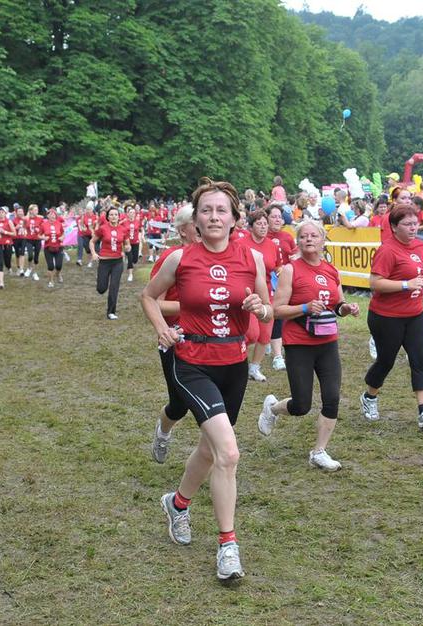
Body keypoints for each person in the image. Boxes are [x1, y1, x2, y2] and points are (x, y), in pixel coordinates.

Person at [141, 178, 271, 582]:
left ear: (234, 218)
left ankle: (177, 503)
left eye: (221, 211)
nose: (214, 217)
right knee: (228, 453)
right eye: (206, 210)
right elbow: (148, 296)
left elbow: (268, 310)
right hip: (192, 363)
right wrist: (162, 328)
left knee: (210, 450)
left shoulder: (253, 258)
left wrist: (260, 308)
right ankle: (228, 546)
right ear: (195, 220)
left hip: (234, 364)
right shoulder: (180, 259)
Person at [258, 219, 361, 470]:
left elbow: (337, 305)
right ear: (298, 241)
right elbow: (276, 310)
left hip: (327, 343)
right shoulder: (291, 270)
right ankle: (273, 408)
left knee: (332, 398)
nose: (308, 239)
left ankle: (319, 452)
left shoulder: (331, 270)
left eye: (314, 235)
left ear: (323, 240)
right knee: (302, 405)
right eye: (303, 236)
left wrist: (347, 309)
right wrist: (304, 307)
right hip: (299, 343)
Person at [360, 203, 423, 430]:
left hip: (415, 314)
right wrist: (406, 284)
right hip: (386, 316)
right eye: (407, 224)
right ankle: (369, 397)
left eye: (415, 223)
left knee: (420, 360)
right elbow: (375, 283)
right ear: (394, 227)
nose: (413, 228)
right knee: (385, 361)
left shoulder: (418, 245)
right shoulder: (387, 250)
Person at [149, 205, 198, 464]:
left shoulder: (216, 258)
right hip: (175, 339)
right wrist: (193, 307)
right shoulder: (171, 257)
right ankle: (163, 432)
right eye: (194, 221)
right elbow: (154, 302)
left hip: (210, 341)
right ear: (182, 230)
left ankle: (217, 457)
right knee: (179, 405)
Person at [242, 209, 280, 382]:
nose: (263, 227)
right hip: (246, 293)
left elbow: (277, 266)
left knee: (265, 335)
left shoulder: (272, 245)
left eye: (265, 224)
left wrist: (283, 273)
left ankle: (254, 367)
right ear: (251, 227)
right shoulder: (241, 243)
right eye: (259, 224)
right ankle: (237, 362)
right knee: (251, 334)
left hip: (266, 293)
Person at [266, 203, 296, 371]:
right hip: (267, 281)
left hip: (286, 280)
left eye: (279, 217)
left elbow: (294, 256)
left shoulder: (287, 236)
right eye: (274, 216)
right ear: (267, 219)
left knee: (284, 314)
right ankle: (274, 351)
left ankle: (278, 349)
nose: (277, 219)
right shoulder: (263, 236)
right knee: (272, 314)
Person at [90, 207, 131, 320]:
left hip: (117, 262)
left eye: (116, 215)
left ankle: (111, 312)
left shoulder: (123, 229)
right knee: (101, 289)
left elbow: (127, 244)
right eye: (111, 215)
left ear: (119, 217)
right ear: (108, 217)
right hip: (104, 261)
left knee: (114, 286)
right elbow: (92, 242)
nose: (113, 217)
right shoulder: (103, 228)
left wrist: (128, 247)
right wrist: (94, 253)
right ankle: (101, 281)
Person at [0, 207, 16, 289]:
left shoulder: (9, 221)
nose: (1, 214)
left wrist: (5, 232)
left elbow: (14, 233)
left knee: (7, 261)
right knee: (0, 262)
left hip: (7, 244)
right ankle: (1, 282)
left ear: (5, 213)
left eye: (2, 212)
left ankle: (9, 267)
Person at [41, 207, 66, 287]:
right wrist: (43, 237)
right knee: (51, 266)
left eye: (54, 214)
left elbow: (63, 233)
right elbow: (39, 235)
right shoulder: (44, 225)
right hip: (48, 248)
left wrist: (62, 237)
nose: (53, 215)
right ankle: (51, 281)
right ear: (47, 216)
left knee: (59, 266)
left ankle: (58, 274)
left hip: (59, 247)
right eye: (51, 214)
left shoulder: (59, 224)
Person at [123, 206, 143, 283]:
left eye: (133, 213)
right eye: (130, 212)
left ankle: (129, 259)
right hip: (127, 243)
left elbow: (141, 229)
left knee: (135, 260)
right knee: (130, 259)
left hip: (136, 242)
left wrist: (142, 236)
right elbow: (119, 228)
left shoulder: (138, 221)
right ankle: (130, 274)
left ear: (135, 214)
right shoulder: (124, 222)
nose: (132, 214)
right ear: (128, 214)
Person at [25, 204, 44, 281]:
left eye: (37, 210)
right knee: (30, 256)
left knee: (36, 258)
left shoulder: (40, 218)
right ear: (31, 211)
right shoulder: (26, 219)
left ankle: (35, 273)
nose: (37, 211)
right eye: (35, 210)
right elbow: (23, 226)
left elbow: (43, 228)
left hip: (37, 239)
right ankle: (29, 268)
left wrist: (39, 231)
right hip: (29, 239)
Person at [11, 204, 28, 276]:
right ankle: (18, 267)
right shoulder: (13, 220)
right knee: (17, 254)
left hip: (23, 238)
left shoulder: (26, 219)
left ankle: (21, 269)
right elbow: (11, 230)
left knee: (22, 253)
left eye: (21, 211)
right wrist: (16, 228)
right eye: (19, 211)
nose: (20, 213)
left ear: (23, 212)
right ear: (16, 212)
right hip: (15, 238)